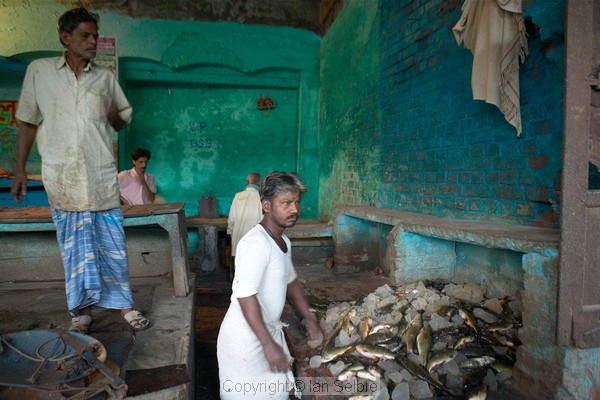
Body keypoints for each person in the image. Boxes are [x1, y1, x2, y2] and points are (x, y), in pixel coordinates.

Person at [10, 7, 149, 334]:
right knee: (75, 250)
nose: (92, 42)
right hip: (63, 179)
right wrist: (18, 169)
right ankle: (82, 312)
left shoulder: (105, 78)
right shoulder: (40, 72)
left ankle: (124, 306)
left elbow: (120, 121)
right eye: (85, 35)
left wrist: (113, 112)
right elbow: (28, 123)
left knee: (112, 246)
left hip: (100, 178)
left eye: (95, 36)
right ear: (65, 36)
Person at [217, 171, 324, 399]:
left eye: (297, 202)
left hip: (266, 334)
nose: (295, 209)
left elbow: (291, 282)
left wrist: (310, 318)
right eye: (286, 203)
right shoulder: (255, 243)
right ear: (266, 205)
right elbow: (246, 296)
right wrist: (267, 344)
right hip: (245, 342)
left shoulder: (283, 241)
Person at [227, 172, 262, 278]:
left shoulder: (238, 196)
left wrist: (231, 233)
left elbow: (231, 219)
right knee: (255, 270)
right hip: (257, 240)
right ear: (260, 183)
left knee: (240, 271)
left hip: (239, 239)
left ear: (247, 182)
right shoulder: (262, 198)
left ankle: (239, 291)